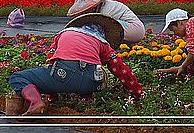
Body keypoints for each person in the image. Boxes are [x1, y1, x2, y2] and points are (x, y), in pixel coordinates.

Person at [8, 13, 143, 116]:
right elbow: (120, 69)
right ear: (102, 33)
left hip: (63, 75)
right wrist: (137, 93)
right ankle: (87, 101)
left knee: (17, 77)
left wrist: (52, 94)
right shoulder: (102, 42)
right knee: (91, 71)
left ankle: (35, 102)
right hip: (94, 83)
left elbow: (51, 61)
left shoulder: (64, 34)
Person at [67, 0, 145, 43]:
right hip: (126, 30)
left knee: (97, 27)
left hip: (135, 30)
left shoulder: (106, 9)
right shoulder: (102, 7)